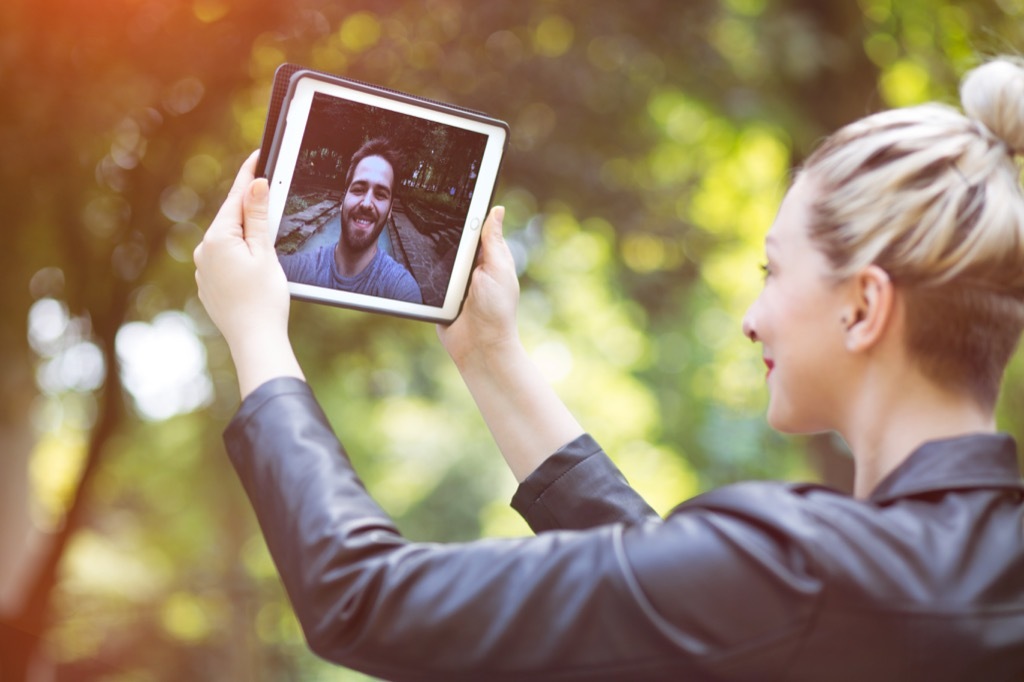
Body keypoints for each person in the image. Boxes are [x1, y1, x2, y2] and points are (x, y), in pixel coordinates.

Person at [193, 58, 1024, 681]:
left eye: (773, 272)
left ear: (865, 307)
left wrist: (257, 336)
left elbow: (363, 599)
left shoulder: (804, 574)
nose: (751, 317)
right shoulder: (911, 573)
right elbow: (683, 583)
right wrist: (491, 356)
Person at [278, 137, 423, 304]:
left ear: (390, 211)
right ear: (343, 199)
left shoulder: (401, 291)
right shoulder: (295, 271)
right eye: (359, 189)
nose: (367, 203)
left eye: (380, 194)